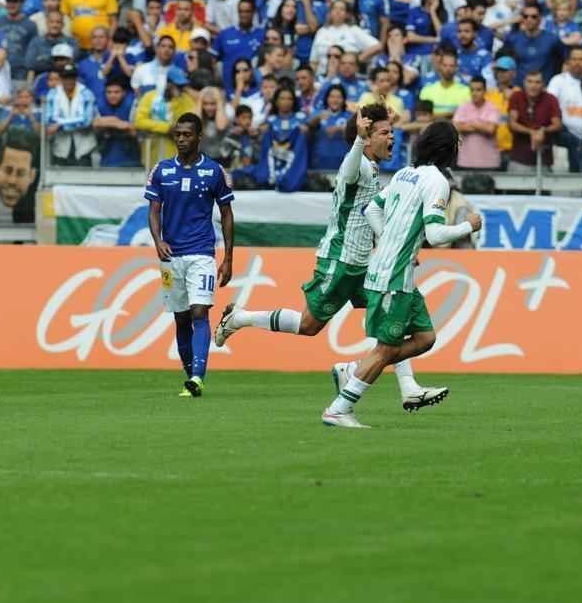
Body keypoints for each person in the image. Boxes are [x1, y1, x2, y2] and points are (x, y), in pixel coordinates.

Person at [215, 106, 448, 412]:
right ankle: (240, 318)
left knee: (396, 316)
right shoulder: (357, 164)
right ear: (366, 138)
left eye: (392, 132)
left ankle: (408, 387)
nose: (392, 138)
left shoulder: (372, 166)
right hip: (341, 261)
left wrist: (389, 246)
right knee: (308, 325)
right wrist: (359, 138)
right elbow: (349, 172)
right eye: (385, 133)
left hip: (365, 263)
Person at [322, 120, 482, 428]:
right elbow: (435, 235)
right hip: (392, 276)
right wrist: (468, 226)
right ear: (448, 149)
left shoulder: (404, 173)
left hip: (395, 270)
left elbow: (372, 209)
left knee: (425, 338)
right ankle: (339, 409)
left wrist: (389, 241)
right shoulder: (437, 181)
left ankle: (352, 369)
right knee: (386, 349)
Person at [146, 113, 235, 398]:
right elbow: (153, 210)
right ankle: (191, 379)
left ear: (199, 137)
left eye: (187, 134)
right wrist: (158, 240)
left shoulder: (214, 171)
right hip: (171, 256)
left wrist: (228, 257)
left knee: (199, 311)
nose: (181, 139)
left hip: (202, 253)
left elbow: (226, 213)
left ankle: (198, 376)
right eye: (178, 134)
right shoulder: (161, 170)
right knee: (181, 318)